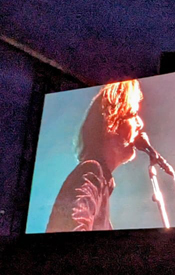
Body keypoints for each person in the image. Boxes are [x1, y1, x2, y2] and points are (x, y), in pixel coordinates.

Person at [47, 79, 145, 232]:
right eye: (133, 114)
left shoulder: (100, 180)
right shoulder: (91, 171)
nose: (140, 124)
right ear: (112, 121)